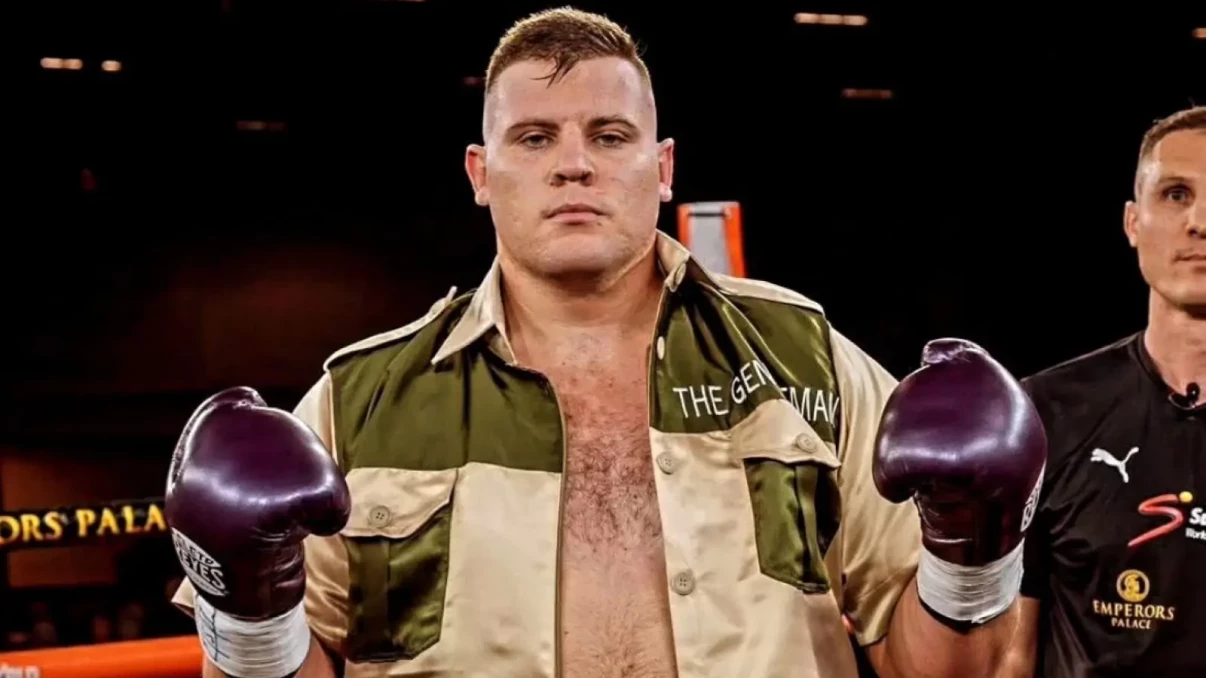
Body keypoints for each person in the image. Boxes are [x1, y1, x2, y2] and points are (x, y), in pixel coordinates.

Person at [166, 8, 1045, 678]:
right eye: (534, 137)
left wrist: (971, 555)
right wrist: (253, 619)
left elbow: (951, 670)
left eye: (610, 135)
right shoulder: (359, 402)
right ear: (481, 174)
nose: (574, 163)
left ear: (662, 170)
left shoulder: (802, 357)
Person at [1001, 106, 1205, 677]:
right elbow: (1009, 657)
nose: (1200, 221)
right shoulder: (1045, 416)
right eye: (1176, 194)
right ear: (1133, 222)